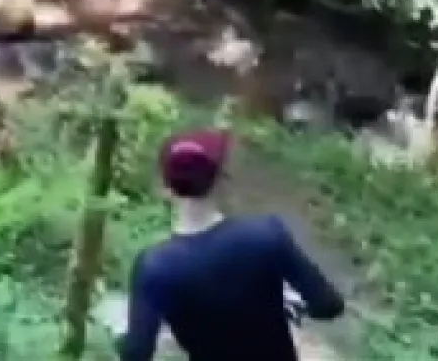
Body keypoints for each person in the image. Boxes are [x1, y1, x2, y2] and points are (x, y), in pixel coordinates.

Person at [119, 129, 346, 361]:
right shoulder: (266, 235)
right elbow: (329, 306)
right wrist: (288, 306)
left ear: (164, 189)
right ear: (220, 180)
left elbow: (136, 354)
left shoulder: (155, 267)